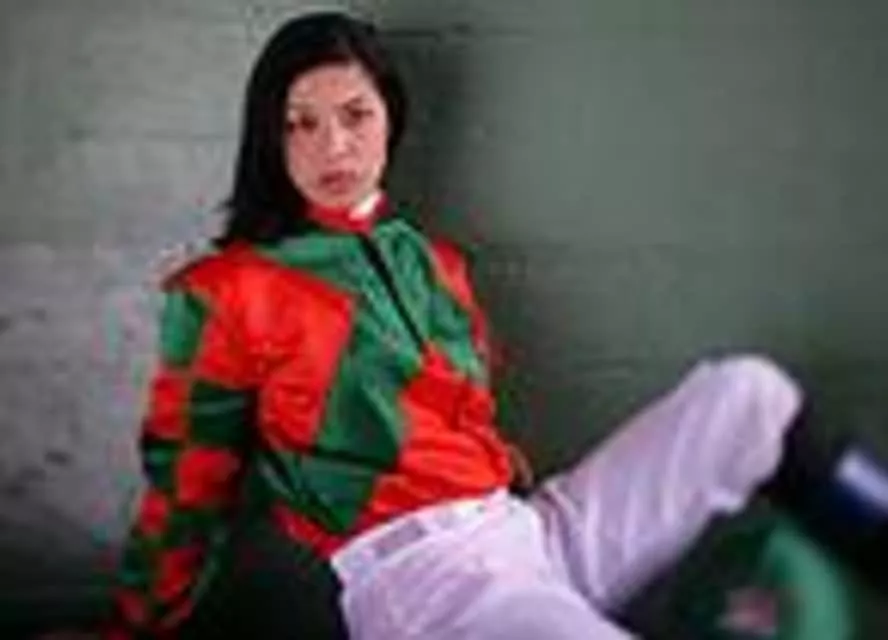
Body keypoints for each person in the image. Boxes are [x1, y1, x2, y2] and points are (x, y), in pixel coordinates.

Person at [103, 11, 813, 639]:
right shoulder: (226, 290)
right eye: (302, 124)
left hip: (528, 533)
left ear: (391, 119)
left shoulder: (434, 263)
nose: (334, 147)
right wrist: (136, 624)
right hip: (427, 583)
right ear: (271, 137)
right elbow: (186, 485)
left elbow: (468, 420)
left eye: (356, 116)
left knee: (749, 394)